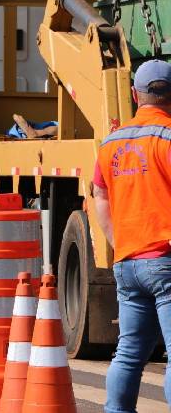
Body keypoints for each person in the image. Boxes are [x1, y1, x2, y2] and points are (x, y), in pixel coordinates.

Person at [93, 59, 171, 412]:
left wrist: (118, 240)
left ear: (135, 94)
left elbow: (101, 196)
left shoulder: (111, 142)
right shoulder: (168, 137)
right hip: (165, 260)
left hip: (128, 261)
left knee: (128, 352)